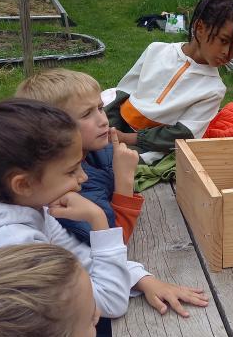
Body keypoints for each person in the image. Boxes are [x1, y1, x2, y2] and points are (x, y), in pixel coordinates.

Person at [0, 98, 208, 321]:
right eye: (71, 171)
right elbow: (110, 302)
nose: (83, 178)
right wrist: (99, 220)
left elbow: (77, 261)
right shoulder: (12, 245)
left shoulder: (19, 205)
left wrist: (142, 278)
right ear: (22, 183)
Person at [106, 0, 233, 162]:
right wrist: (108, 128)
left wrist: (125, 138)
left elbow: (184, 133)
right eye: (223, 41)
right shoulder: (156, 50)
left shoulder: (213, 89)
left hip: (149, 148)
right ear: (200, 28)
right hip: (115, 126)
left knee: (108, 163)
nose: (227, 53)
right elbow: (123, 92)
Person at [16, 68, 144, 245]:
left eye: (100, 108)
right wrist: (125, 182)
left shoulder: (97, 150)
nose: (103, 120)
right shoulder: (65, 186)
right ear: (52, 130)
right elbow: (113, 243)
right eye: (86, 114)